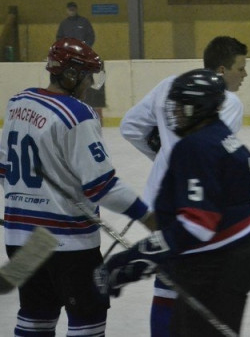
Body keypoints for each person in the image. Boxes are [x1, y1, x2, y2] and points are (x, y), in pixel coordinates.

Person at [0, 38, 154, 336]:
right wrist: (145, 215)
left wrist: (31, 202)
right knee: (87, 319)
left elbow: (3, 169)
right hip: (68, 244)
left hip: (22, 240)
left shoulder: (17, 103)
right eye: (87, 77)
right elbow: (102, 186)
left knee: (34, 316)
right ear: (71, 75)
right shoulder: (78, 115)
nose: (90, 85)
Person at [96, 69, 250, 337]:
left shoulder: (196, 146)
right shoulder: (220, 134)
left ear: (199, 107)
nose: (173, 112)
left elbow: (197, 225)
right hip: (237, 255)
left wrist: (138, 257)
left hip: (219, 265)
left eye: (180, 106)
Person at [56, 1, 104, 124]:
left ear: (76, 9)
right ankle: (71, 109)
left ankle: (88, 108)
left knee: (86, 82)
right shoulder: (64, 24)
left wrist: (84, 48)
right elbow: (59, 38)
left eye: (73, 8)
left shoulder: (84, 22)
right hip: (69, 60)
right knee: (70, 83)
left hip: (83, 58)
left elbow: (91, 36)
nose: (71, 10)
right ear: (67, 10)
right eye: (69, 8)